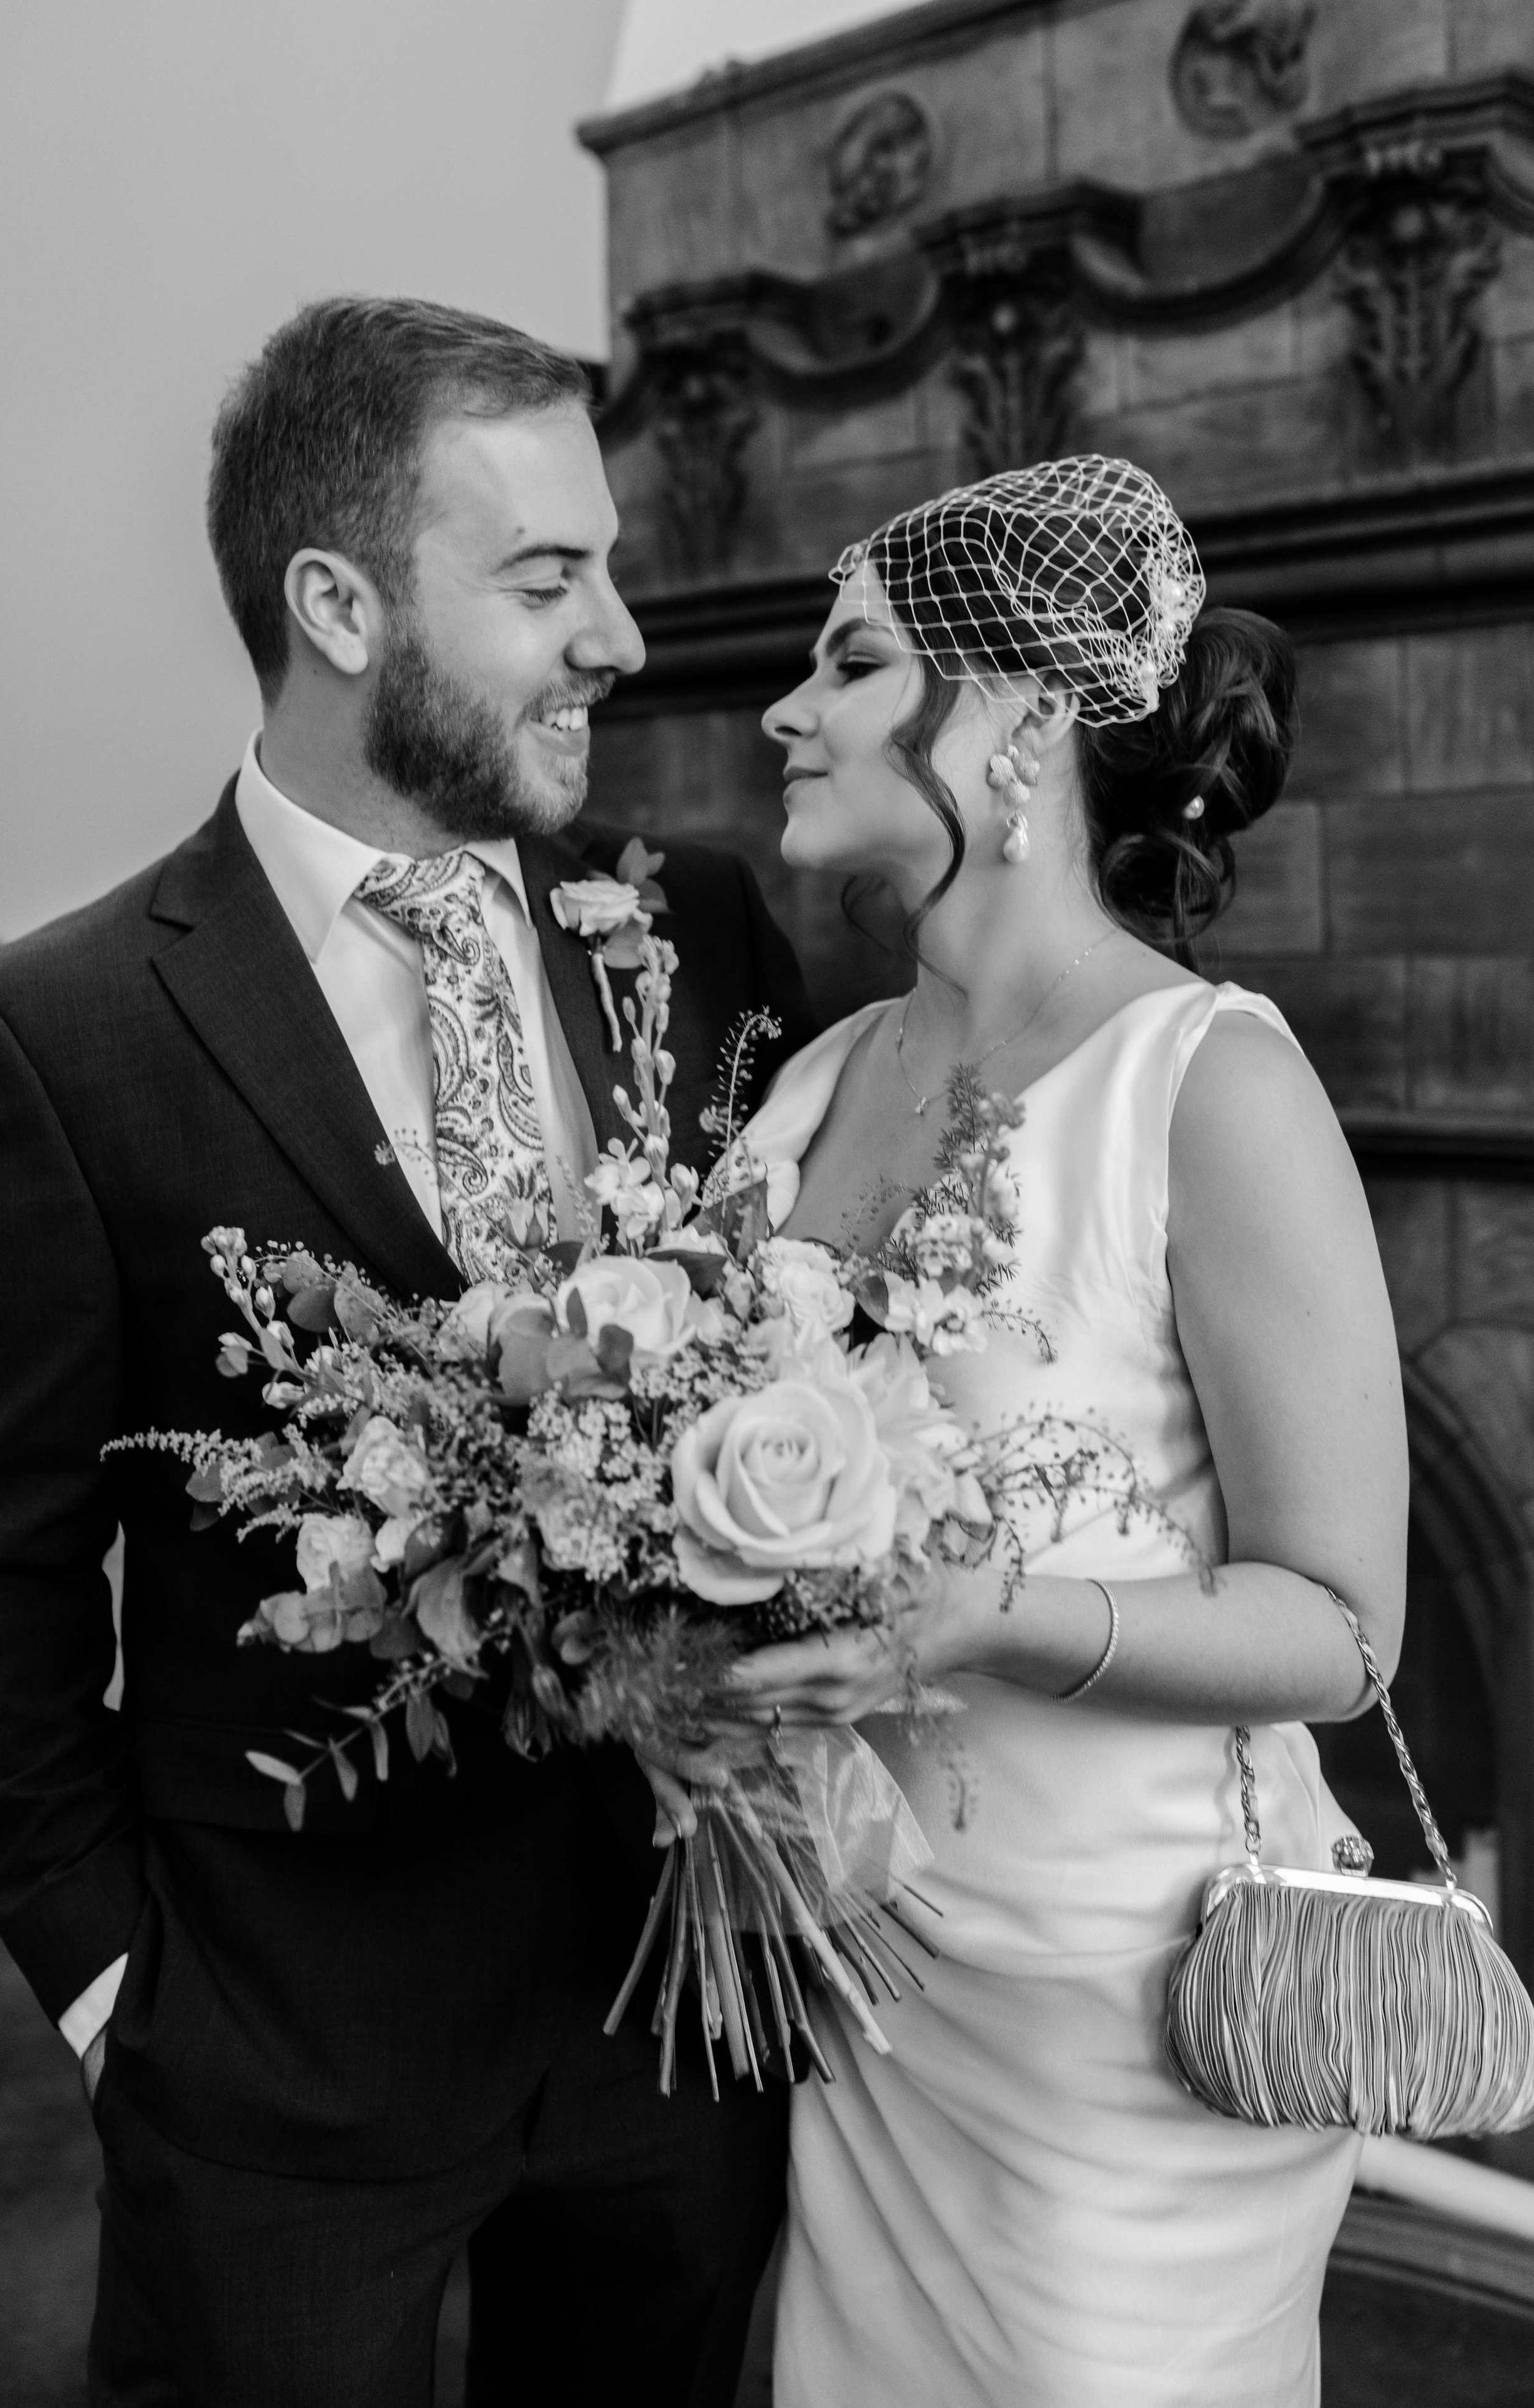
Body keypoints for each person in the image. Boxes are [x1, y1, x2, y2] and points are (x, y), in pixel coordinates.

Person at [0, 297, 814, 2407]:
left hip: (671, 2021)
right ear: (337, 602)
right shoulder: (64, 1036)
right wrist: (109, 1987)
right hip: (270, 2063)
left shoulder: (693, 930)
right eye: (544, 580)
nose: (618, 634)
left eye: (604, 567)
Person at [730, 458, 1409, 2407]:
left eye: (850, 662)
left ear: (1021, 719)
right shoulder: (825, 1074)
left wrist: (1000, 1614)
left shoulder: (1212, 1085)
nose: (789, 710)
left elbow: (1345, 1629)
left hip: (1131, 2043)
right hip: (856, 2000)